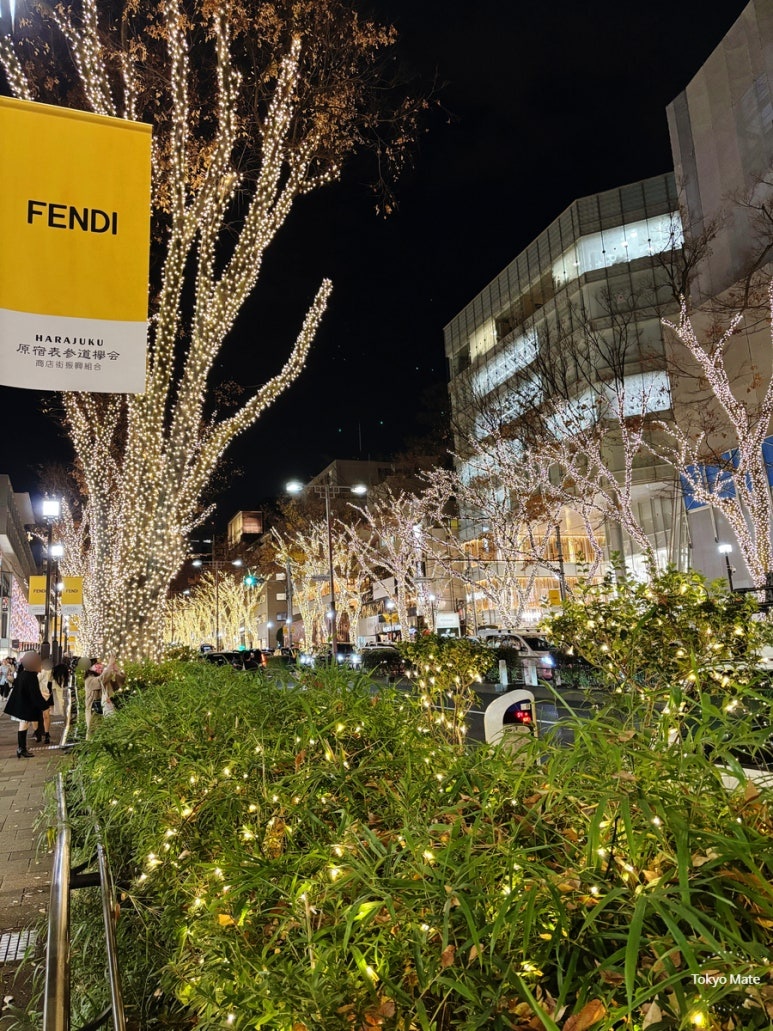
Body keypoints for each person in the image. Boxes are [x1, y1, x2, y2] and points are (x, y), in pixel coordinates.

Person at [4, 651, 49, 758]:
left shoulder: (24, 674)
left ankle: (21, 748)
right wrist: (44, 706)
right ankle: (21, 749)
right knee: (24, 725)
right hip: (24, 706)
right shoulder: (31, 676)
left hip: (20, 704)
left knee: (23, 725)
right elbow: (35, 694)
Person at [84, 660, 104, 738]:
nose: (100, 668)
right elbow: (101, 680)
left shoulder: (95, 677)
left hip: (97, 708)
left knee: (95, 731)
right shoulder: (90, 679)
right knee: (92, 731)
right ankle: (91, 748)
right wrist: (109, 667)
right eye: (97, 666)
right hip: (93, 709)